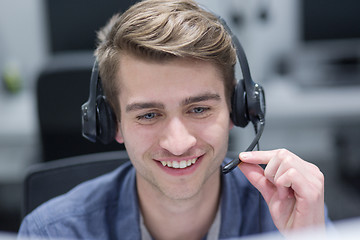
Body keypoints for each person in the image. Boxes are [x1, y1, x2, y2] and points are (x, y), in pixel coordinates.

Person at [18, 0, 330, 239]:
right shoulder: (53, 232)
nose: (178, 144)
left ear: (238, 110)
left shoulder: (290, 217)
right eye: (149, 115)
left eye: (198, 109)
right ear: (112, 123)